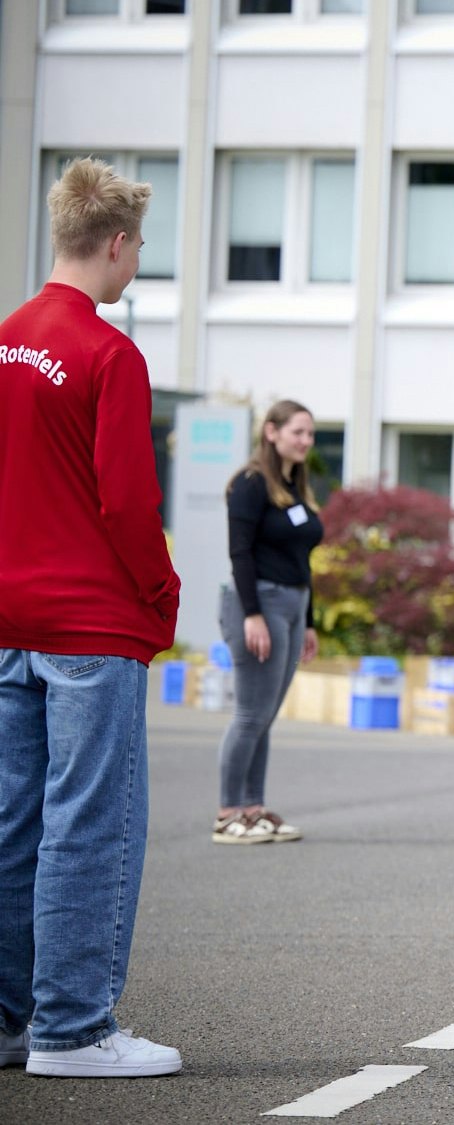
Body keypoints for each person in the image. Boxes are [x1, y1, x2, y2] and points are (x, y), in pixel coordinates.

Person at [0, 158, 183, 1077]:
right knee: (89, 822)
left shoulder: (6, 339)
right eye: (139, 246)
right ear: (115, 244)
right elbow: (127, 500)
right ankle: (73, 1028)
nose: (137, 262)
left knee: (13, 820)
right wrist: (162, 596)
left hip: (9, 617)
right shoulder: (111, 354)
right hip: (90, 627)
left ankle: (9, 1022)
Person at [213, 400, 323, 845]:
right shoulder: (250, 484)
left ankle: (253, 809)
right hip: (260, 604)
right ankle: (228, 814)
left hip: (293, 606)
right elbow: (239, 552)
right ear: (272, 432)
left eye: (310, 434)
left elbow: (301, 560)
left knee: (265, 715)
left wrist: (309, 622)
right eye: (298, 432)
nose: (306, 441)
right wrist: (253, 614)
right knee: (250, 714)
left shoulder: (295, 488)